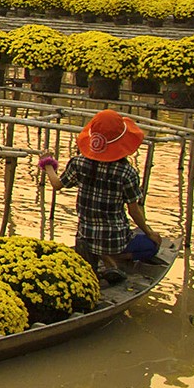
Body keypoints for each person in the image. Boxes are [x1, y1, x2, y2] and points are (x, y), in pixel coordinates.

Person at [39, 109, 162, 285]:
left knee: (93, 241)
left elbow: (57, 184)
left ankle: (103, 257)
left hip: (85, 236)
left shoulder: (79, 163)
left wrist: (48, 164)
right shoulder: (127, 172)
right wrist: (149, 232)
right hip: (116, 239)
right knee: (152, 246)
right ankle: (113, 258)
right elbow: (134, 211)